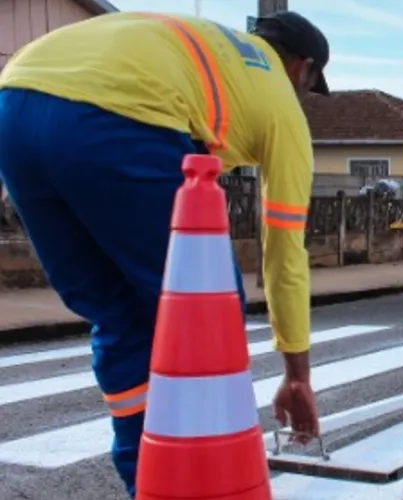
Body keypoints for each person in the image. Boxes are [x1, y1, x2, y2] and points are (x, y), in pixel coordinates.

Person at [0, 11, 326, 497]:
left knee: (116, 312)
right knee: (208, 310)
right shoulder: (281, 103)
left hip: (14, 105)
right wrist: (297, 375)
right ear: (302, 67)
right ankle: (205, 482)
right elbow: (284, 249)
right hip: (119, 115)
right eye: (309, 84)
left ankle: (148, 480)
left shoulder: (209, 47)